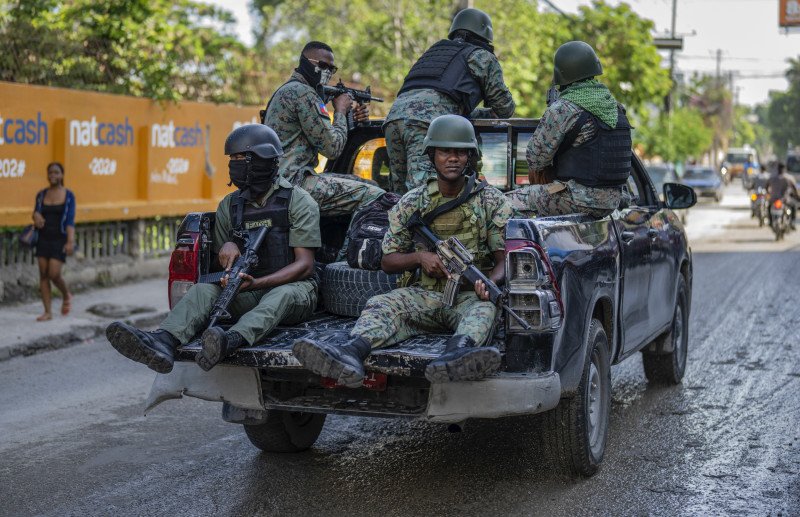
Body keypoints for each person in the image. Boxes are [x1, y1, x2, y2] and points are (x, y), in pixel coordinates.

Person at [293, 115, 513, 387]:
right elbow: (388, 261)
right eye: (445, 151)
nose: (453, 158)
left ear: (470, 156)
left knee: (485, 309)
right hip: (423, 294)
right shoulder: (412, 203)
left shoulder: (491, 201)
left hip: (467, 297)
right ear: (432, 155)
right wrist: (420, 258)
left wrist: (490, 282)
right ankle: (350, 353)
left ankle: (456, 357)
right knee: (382, 304)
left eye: (460, 152)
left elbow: (504, 257)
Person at [106, 124, 320, 372]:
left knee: (279, 296)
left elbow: (305, 266)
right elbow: (221, 262)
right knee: (203, 291)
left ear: (264, 160)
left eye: (242, 158)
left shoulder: (298, 201)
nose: (235, 165)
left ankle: (230, 340)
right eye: (233, 159)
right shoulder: (230, 206)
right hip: (248, 286)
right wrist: (228, 247)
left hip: (295, 290)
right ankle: (164, 341)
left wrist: (255, 284)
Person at [383, 8, 516, 193]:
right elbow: (505, 108)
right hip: (426, 124)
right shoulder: (481, 55)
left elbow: (443, 100)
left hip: (393, 118)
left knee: (397, 194)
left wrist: (477, 114)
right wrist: (489, 112)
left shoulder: (435, 51)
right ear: (485, 35)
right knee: (424, 194)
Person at [506, 41, 631, 219]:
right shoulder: (615, 107)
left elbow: (535, 159)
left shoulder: (563, 108)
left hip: (578, 200)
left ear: (560, 73)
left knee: (500, 204)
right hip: (614, 201)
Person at [263, 41, 384, 221]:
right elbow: (332, 148)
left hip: (284, 182)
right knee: (378, 196)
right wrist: (341, 111)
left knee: (370, 184)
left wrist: (353, 117)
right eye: (322, 65)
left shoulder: (289, 90)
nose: (327, 71)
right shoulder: (304, 94)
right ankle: (351, 250)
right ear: (304, 61)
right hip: (293, 184)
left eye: (331, 69)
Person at [32, 162, 76, 321]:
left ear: (62, 175)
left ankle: (66, 295)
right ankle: (48, 312)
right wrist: (36, 216)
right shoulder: (41, 194)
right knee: (43, 275)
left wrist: (70, 241)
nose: (53, 175)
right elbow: (36, 212)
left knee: (54, 274)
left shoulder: (69, 195)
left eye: (56, 172)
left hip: (59, 239)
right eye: (50, 172)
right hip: (42, 238)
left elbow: (70, 220)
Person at [767, 162, 799, 229]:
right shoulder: (788, 178)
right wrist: (797, 196)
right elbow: (794, 189)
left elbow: (766, 186)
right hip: (785, 199)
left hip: (774, 199)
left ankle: (770, 222)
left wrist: (769, 193)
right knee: (793, 206)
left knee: (769, 207)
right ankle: (792, 222)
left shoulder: (772, 177)